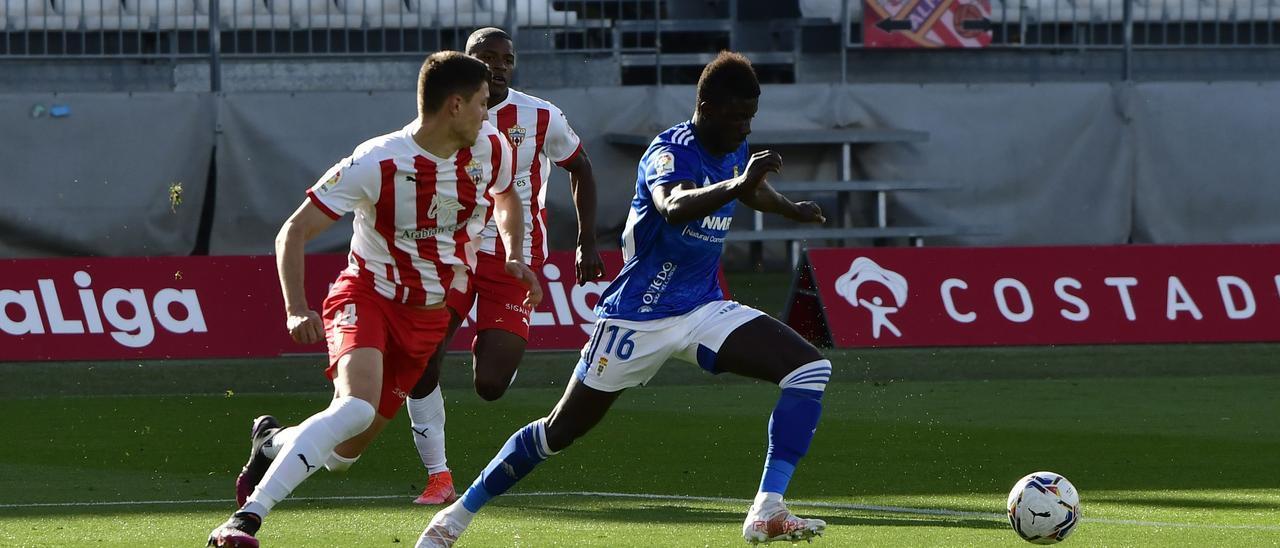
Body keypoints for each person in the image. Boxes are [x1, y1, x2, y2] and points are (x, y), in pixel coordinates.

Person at [416, 51, 832, 547]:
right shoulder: (668, 149)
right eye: (736, 116)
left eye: (750, 118)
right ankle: (453, 520)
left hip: (701, 307)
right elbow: (671, 205)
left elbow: (751, 192)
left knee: (809, 369)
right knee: (558, 432)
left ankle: (767, 508)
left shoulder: (733, 148)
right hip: (637, 317)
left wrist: (790, 208)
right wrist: (739, 183)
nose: (744, 128)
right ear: (705, 106)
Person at [206, 51, 542, 548]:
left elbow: (507, 196)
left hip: (425, 319)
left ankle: (270, 441)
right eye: (481, 104)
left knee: (344, 454)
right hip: (367, 297)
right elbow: (293, 231)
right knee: (356, 409)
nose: (487, 114)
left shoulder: (489, 147)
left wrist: (513, 252)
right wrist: (296, 307)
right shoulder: (377, 161)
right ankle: (245, 520)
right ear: (454, 106)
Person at [405, 27, 606, 506]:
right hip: (450, 255)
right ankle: (438, 476)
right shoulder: (442, 113)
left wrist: (586, 241)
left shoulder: (540, 116)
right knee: (421, 363)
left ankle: (491, 335)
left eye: (506, 59)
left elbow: (581, 167)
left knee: (491, 385)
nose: (497, 66)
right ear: (465, 61)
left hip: (514, 261)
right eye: (486, 57)